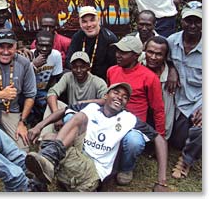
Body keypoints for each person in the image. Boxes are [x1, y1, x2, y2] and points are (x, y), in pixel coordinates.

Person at [25, 82, 169, 192]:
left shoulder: (128, 119)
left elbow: (159, 139)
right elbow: (63, 110)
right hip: (76, 157)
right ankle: (45, 172)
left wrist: (161, 181)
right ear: (106, 95)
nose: (120, 97)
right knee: (51, 135)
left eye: (125, 97)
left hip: (92, 171)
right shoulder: (92, 108)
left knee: (56, 137)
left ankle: (45, 171)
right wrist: (39, 126)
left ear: (126, 103)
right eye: (116, 93)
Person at [106, 35, 166, 185]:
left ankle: (127, 168)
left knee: (134, 142)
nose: (118, 55)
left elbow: (158, 110)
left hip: (134, 124)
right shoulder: (112, 70)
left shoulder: (150, 78)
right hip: (112, 119)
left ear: (136, 56)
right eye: (117, 50)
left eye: (123, 52)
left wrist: (160, 138)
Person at [167, 3, 202, 179]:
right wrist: (171, 67)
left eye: (198, 21)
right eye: (189, 20)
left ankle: (185, 161)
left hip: (200, 101)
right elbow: (161, 57)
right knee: (177, 141)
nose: (193, 25)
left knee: (202, 128)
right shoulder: (172, 41)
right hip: (178, 102)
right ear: (182, 21)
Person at [42, 51, 107, 137]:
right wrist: (56, 115)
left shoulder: (97, 81)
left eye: (82, 67)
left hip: (88, 116)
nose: (79, 70)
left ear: (88, 67)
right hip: (71, 111)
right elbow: (52, 93)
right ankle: (44, 139)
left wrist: (86, 102)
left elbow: (106, 100)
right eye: (75, 67)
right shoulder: (68, 77)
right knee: (53, 104)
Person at [65, 6, 117, 81]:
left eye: (92, 20)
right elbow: (69, 61)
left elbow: (114, 68)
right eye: (84, 21)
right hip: (80, 79)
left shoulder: (109, 39)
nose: (89, 25)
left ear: (98, 20)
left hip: (102, 82)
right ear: (80, 23)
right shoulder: (77, 37)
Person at [28, 30, 62, 126]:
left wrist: (49, 94)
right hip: (28, 90)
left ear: (52, 45)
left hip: (44, 90)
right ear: (36, 44)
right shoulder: (28, 55)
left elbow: (55, 78)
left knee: (47, 103)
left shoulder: (56, 55)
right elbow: (21, 78)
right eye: (41, 45)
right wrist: (34, 65)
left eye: (48, 46)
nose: (44, 49)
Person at [144, 36, 175, 140]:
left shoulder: (169, 79)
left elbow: (167, 111)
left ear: (165, 56)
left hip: (157, 118)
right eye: (150, 52)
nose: (153, 57)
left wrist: (163, 138)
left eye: (158, 54)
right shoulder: (137, 64)